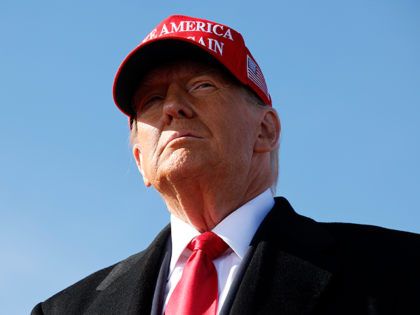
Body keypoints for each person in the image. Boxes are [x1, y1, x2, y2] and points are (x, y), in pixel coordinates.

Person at [32, 15, 420, 315]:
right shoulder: (64, 310)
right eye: (151, 100)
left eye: (202, 85)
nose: (172, 107)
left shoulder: (398, 270)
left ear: (265, 130)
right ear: (139, 160)